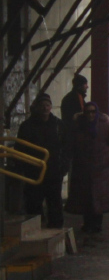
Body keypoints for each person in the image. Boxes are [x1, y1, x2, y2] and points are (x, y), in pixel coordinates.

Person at [65, 99, 109, 236]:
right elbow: (71, 145)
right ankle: (88, 223)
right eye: (88, 112)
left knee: (98, 197)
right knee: (85, 197)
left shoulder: (105, 126)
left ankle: (97, 224)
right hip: (82, 168)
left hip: (101, 169)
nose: (90, 115)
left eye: (93, 112)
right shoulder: (78, 126)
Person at [15, 94, 64, 228]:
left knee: (55, 203)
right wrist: (23, 168)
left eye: (47, 105)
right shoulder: (27, 126)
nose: (45, 108)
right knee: (33, 203)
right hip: (34, 170)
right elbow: (20, 147)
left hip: (53, 170)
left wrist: (63, 167)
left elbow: (66, 145)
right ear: (36, 107)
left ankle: (56, 230)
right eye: (42, 105)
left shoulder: (58, 125)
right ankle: (35, 229)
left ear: (51, 107)